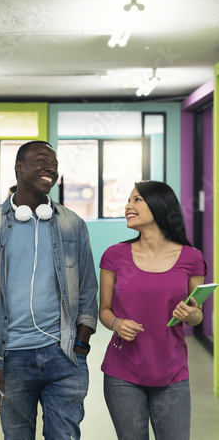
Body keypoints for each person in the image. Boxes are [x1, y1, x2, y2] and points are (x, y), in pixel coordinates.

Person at [0, 140, 98, 440]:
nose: (50, 166)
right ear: (19, 167)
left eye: (53, 162)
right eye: (41, 159)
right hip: (10, 358)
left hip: (63, 355)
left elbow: (88, 292)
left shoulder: (72, 224)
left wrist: (80, 346)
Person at [99, 180, 207, 440]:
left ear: (160, 205)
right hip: (122, 373)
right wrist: (116, 323)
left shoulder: (191, 258)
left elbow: (196, 313)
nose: (128, 206)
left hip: (172, 373)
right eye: (128, 200)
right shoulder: (114, 255)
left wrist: (193, 315)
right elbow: (103, 310)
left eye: (137, 200)